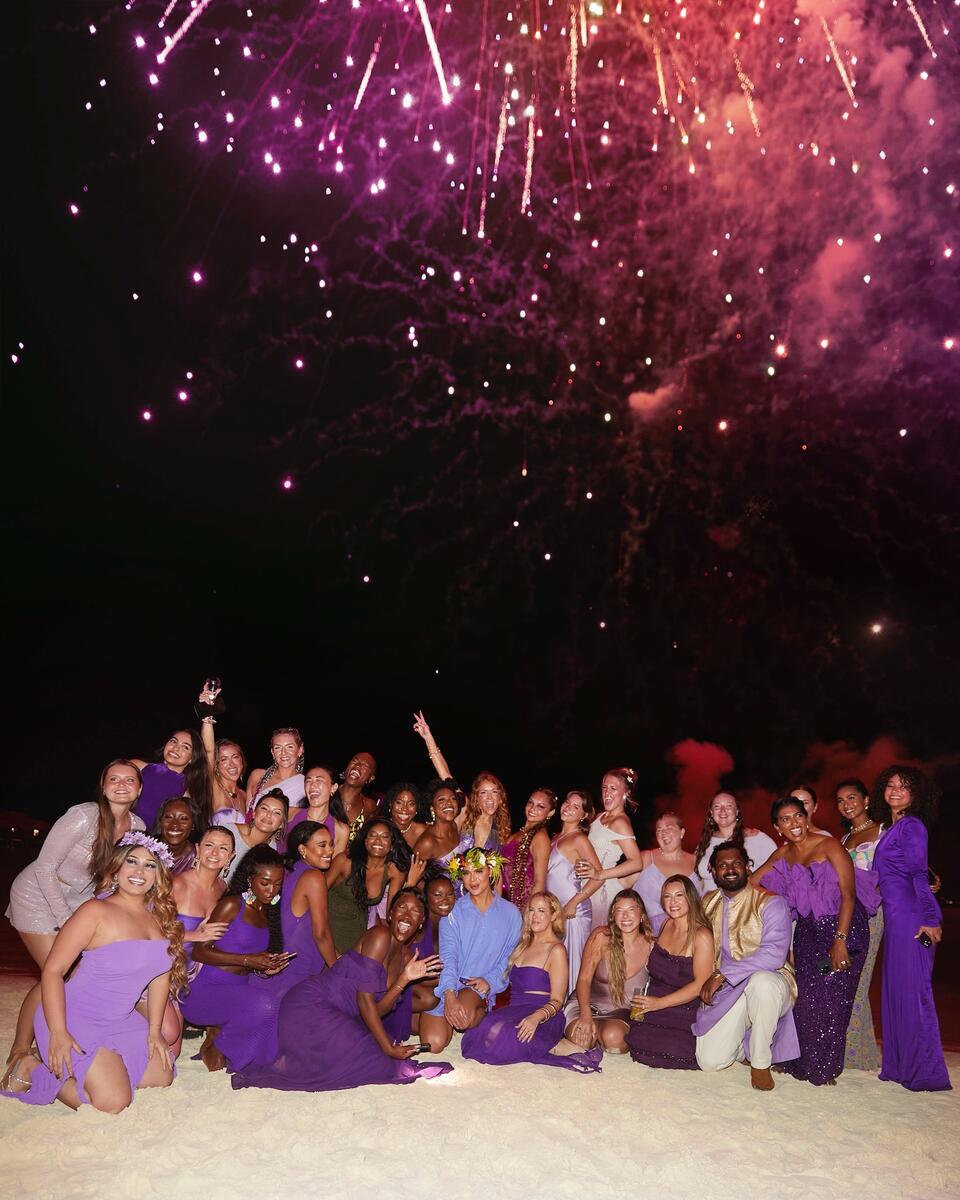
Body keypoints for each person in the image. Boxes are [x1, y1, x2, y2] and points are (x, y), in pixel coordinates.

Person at [2, 832, 185, 1111]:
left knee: (162, 1075)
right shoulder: (94, 911)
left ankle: (100, 1065)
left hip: (120, 1019)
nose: (139, 871)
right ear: (117, 867)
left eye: (149, 865)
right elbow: (53, 970)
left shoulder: (159, 917)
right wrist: (59, 1032)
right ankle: (30, 1068)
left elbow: (160, 975)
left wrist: (154, 1031)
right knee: (112, 1102)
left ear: (158, 876)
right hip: (75, 1017)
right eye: (132, 862)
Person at [2, 760, 147, 1086]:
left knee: (75, 975)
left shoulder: (136, 825)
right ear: (103, 785)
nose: (121, 784)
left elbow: (118, 876)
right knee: (59, 970)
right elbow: (44, 867)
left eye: (129, 780)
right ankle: (19, 1051)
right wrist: (66, 920)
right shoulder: (82, 816)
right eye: (114, 779)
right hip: (38, 898)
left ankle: (40, 1040)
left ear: (139, 790)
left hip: (79, 903)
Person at [231, 889, 450, 1092]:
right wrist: (389, 1049)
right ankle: (283, 1059)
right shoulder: (380, 936)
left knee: (374, 1060)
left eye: (415, 912)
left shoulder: (405, 958)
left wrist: (404, 978)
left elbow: (379, 1010)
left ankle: (294, 1057)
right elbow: (364, 1001)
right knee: (377, 1061)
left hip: (341, 1016)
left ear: (421, 922)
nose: (407, 916)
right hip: (311, 1006)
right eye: (402, 907)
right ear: (391, 913)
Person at [752, 797, 875, 1086]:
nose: (793, 823)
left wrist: (840, 940)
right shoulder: (783, 854)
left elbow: (848, 895)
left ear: (806, 817)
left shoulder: (830, 845)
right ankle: (800, 1060)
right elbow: (753, 882)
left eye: (798, 816)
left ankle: (825, 1068)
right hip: (808, 934)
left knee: (831, 997)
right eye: (785, 819)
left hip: (843, 929)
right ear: (777, 827)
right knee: (806, 997)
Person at [869, 766, 950, 1091]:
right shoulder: (894, 826)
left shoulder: (912, 825)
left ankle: (925, 1072)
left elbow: (918, 874)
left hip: (913, 920)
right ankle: (900, 1067)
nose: (895, 791)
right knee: (897, 993)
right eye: (890, 785)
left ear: (916, 793)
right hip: (897, 918)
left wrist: (931, 919)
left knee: (915, 994)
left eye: (903, 787)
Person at [693, 843, 799, 1091]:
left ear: (748, 867)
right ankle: (746, 1043)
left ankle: (760, 1062)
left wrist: (722, 974)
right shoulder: (708, 902)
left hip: (773, 983)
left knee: (761, 982)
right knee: (710, 1062)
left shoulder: (771, 903)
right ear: (712, 870)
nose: (730, 869)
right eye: (722, 865)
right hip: (729, 991)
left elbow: (773, 955)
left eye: (736, 863)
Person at [181, 845, 295, 1071]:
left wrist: (264, 967)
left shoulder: (266, 909)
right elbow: (199, 951)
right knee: (267, 1004)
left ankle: (222, 1034)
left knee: (283, 1004)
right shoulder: (232, 904)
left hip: (237, 989)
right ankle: (219, 1041)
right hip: (205, 991)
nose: (272, 890)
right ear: (250, 879)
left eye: (278, 883)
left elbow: (249, 958)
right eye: (265, 882)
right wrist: (248, 960)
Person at [463, 893, 594, 1070]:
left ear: (553, 915)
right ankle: (542, 1045)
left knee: (502, 1035)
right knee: (479, 1031)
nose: (534, 915)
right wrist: (487, 981)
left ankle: (553, 1046)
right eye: (531, 910)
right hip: (514, 1010)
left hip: (543, 1015)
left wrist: (535, 1018)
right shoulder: (522, 945)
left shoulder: (556, 950)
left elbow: (557, 1000)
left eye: (541, 910)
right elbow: (504, 977)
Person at [419, 847, 522, 1053]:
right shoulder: (453, 911)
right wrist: (449, 994)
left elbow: (512, 955)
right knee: (434, 1044)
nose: (472, 879)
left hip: (477, 985)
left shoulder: (511, 913)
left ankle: (481, 1010)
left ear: (491, 873)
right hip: (448, 983)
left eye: (478, 871)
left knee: (463, 1019)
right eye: (466, 873)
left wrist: (490, 981)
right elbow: (449, 956)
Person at [626, 876, 713, 1070]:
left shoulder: (702, 936)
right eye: (667, 896)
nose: (672, 902)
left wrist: (660, 1003)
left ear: (691, 898)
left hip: (684, 1006)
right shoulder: (666, 925)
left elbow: (700, 985)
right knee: (636, 1041)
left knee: (672, 1050)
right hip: (652, 1001)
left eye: (679, 895)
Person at [579, 810, 701, 934]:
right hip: (647, 935)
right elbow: (618, 885)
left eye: (669, 828)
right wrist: (595, 878)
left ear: (682, 832)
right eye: (659, 830)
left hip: (686, 934)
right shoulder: (646, 858)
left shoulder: (696, 862)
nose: (663, 833)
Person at [835, 777, 884, 1071]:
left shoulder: (883, 832)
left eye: (851, 798)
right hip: (848, 915)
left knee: (859, 980)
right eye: (840, 801)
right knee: (846, 978)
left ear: (866, 800)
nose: (846, 805)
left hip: (873, 916)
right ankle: (860, 1053)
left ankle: (856, 1055)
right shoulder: (842, 840)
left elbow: (902, 868)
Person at [326, 818, 419, 954]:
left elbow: (391, 916)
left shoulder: (394, 871)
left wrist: (411, 884)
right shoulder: (345, 861)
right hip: (327, 926)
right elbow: (317, 896)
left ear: (392, 845)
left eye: (385, 837)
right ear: (365, 841)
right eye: (372, 835)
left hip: (356, 935)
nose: (378, 841)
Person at [548, 791, 603, 997]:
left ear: (584, 815)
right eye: (567, 802)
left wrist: (573, 903)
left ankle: (573, 1018)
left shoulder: (579, 839)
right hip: (554, 912)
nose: (568, 807)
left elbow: (598, 876)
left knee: (573, 968)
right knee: (555, 968)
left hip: (573, 913)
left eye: (576, 806)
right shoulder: (554, 837)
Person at [585, 768, 644, 929]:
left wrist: (600, 874)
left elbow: (636, 863)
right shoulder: (599, 816)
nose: (606, 792)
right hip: (587, 885)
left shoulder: (621, 823)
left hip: (602, 890)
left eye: (613, 788)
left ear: (625, 793)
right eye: (604, 787)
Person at [132, 728, 212, 832]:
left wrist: (207, 721)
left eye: (185, 747)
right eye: (173, 741)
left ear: (192, 758)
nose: (176, 748)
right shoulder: (138, 767)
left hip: (154, 842)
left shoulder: (187, 790)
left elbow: (209, 754)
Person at [694, 791, 777, 885]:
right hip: (710, 899)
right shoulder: (706, 841)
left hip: (749, 898)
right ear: (711, 812)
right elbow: (698, 879)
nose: (722, 810)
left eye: (728, 806)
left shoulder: (758, 839)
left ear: (737, 811)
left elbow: (777, 873)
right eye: (717, 806)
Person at [196, 679, 248, 823]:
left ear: (242, 761)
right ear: (216, 765)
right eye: (223, 759)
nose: (231, 764)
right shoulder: (213, 787)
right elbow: (208, 751)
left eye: (235, 757)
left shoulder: (245, 795)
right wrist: (207, 714)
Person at [409, 875, 457, 1019]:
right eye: (437, 895)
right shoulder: (419, 923)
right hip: (403, 980)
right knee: (430, 999)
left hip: (429, 983)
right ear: (426, 897)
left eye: (450, 894)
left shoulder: (449, 922)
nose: (445, 900)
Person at [501, 789, 557, 911]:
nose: (532, 808)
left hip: (523, 906)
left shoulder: (540, 837)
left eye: (540, 806)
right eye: (530, 802)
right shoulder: (516, 834)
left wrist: (530, 913)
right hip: (505, 903)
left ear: (550, 813)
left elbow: (539, 881)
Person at [221, 789, 289, 883]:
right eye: (264, 808)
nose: (269, 815)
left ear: (281, 824)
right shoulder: (227, 832)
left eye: (277, 813)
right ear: (254, 813)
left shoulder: (272, 851)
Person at [286, 764, 349, 856]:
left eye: (319, 780)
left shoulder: (341, 830)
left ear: (333, 788)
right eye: (308, 781)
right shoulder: (290, 813)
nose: (312, 785)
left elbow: (334, 867)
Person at [245, 728, 306, 817]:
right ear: (272, 752)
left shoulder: (305, 784)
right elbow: (247, 813)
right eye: (278, 747)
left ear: (300, 750)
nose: (283, 753)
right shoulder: (258, 776)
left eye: (290, 747)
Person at [413, 779, 465, 875]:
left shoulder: (455, 826)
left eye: (453, 799)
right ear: (432, 808)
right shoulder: (427, 842)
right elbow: (413, 879)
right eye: (442, 800)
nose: (449, 803)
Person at [458, 772, 512, 855]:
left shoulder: (502, 830)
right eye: (483, 792)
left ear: (500, 797)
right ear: (476, 798)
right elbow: (446, 776)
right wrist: (433, 757)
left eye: (494, 792)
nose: (489, 797)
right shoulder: (466, 814)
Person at [337, 751, 379, 840]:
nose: (357, 766)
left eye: (365, 766)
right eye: (354, 761)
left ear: (370, 778)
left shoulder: (369, 807)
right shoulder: (328, 793)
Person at [153, 797, 196, 875]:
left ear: (193, 825)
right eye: (169, 817)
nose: (175, 825)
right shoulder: (145, 850)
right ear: (160, 821)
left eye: (183, 818)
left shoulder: (197, 858)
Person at [384, 781, 429, 852]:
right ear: (390, 804)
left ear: (417, 808)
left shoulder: (423, 832)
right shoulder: (380, 828)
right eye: (399, 802)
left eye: (411, 804)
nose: (404, 808)